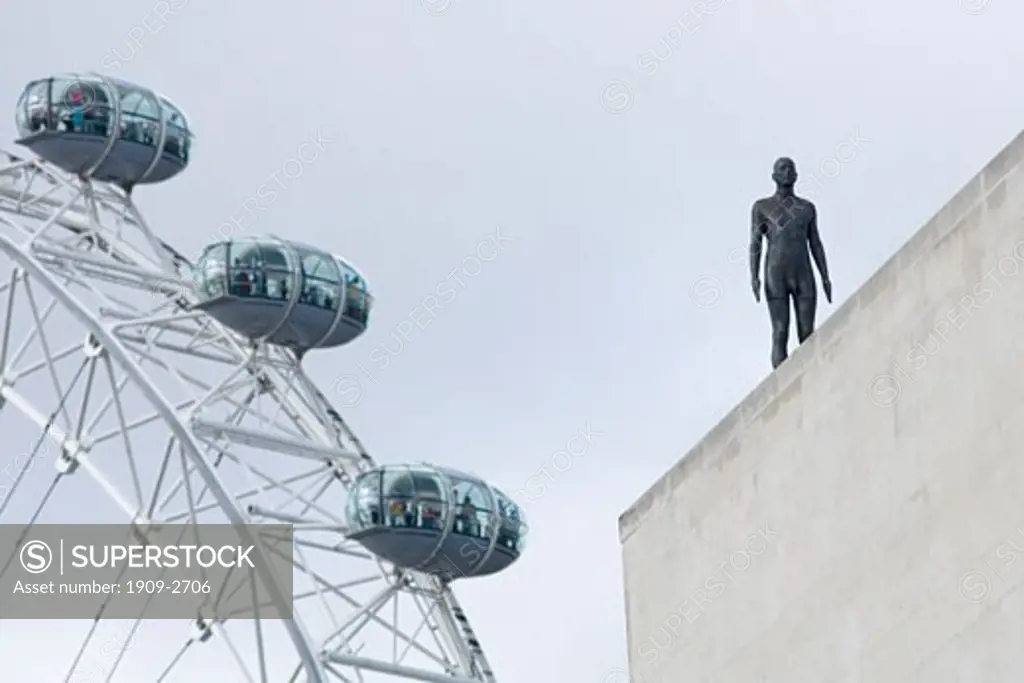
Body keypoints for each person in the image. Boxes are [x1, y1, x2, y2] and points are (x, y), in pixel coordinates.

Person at [750, 157, 832, 368]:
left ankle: (811, 373)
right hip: (775, 272)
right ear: (774, 176)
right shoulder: (762, 207)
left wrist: (825, 276)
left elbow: (815, 242)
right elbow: (755, 243)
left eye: (790, 169)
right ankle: (781, 383)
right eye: (782, 169)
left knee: (807, 331)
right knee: (780, 331)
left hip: (803, 270)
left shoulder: (807, 208)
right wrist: (754, 276)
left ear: (796, 176)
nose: (787, 172)